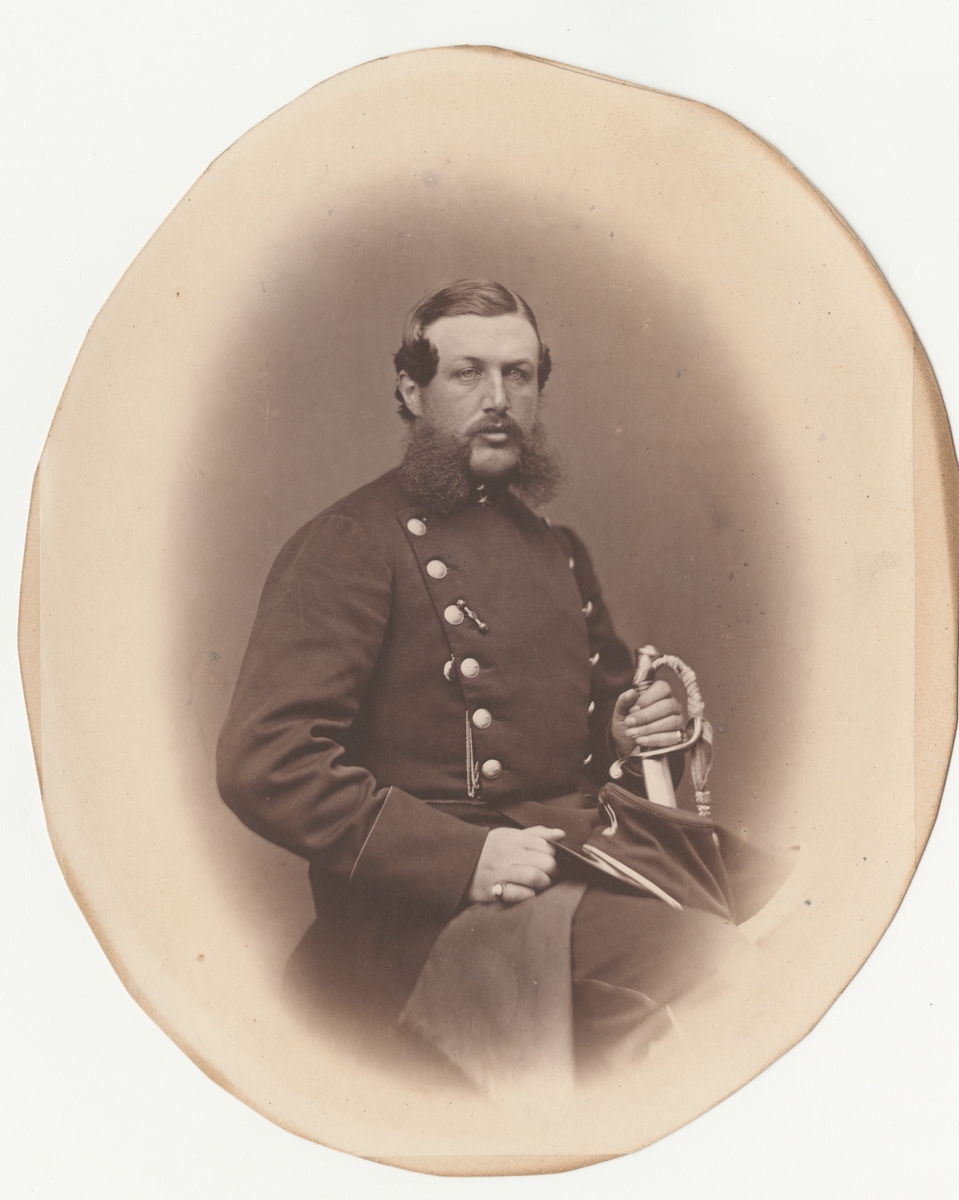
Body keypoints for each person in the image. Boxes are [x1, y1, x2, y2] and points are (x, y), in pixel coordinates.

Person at [216, 279, 784, 1088]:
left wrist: (627, 733)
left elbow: (587, 744)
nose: (497, 399)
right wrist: (463, 858)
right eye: (467, 373)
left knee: (798, 922)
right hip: (422, 910)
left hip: (566, 860)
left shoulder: (555, 549)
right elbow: (266, 761)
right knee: (712, 973)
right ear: (410, 391)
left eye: (518, 374)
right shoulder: (352, 542)